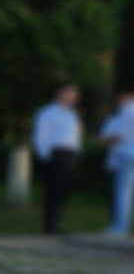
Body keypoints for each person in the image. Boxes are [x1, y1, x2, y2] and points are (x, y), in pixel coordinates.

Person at [34, 83, 84, 234]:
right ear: (60, 94)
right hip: (55, 154)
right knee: (53, 190)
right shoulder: (48, 113)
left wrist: (77, 153)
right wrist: (44, 157)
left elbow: (75, 136)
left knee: (64, 190)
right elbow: (41, 136)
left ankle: (57, 222)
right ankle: (49, 225)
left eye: (74, 95)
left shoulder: (72, 114)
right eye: (69, 94)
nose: (72, 98)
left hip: (70, 155)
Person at [101, 87, 134, 237]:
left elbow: (120, 134)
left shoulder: (127, 110)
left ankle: (120, 227)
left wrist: (106, 138)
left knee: (123, 192)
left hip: (127, 154)